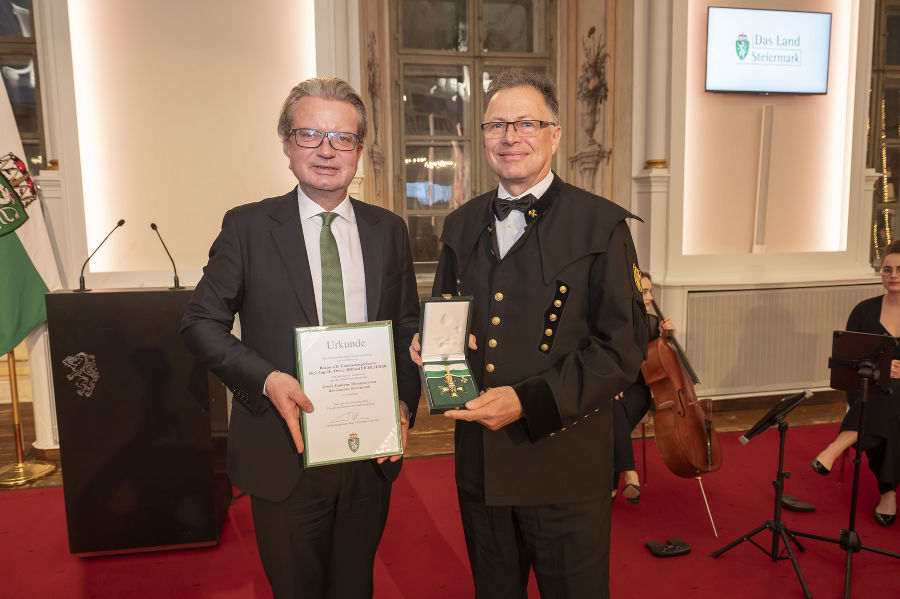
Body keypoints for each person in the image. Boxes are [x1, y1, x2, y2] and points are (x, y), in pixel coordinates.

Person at [411, 68, 647, 598]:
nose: (510, 137)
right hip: (482, 468)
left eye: (526, 123)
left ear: (555, 134)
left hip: (564, 464)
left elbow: (620, 350)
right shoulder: (460, 224)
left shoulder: (602, 225)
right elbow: (451, 319)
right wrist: (430, 345)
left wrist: (526, 401)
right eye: (497, 125)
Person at [181, 77, 420, 598]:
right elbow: (200, 323)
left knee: (356, 586)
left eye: (343, 138)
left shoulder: (389, 230)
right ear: (287, 144)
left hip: (367, 455)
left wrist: (403, 403)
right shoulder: (247, 227)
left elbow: (405, 329)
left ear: (361, 150)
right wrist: (266, 379)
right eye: (310, 134)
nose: (327, 150)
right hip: (281, 451)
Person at [810, 239, 900, 527]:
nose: (893, 275)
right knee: (880, 396)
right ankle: (888, 494)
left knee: (887, 399)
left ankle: (840, 444)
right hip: (870, 389)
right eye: (887, 269)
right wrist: (883, 371)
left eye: (899, 269)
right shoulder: (864, 310)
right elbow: (849, 360)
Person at [611, 271, 675, 504]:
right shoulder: (612, 324)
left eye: (650, 291)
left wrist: (667, 338)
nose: (649, 297)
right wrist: (612, 382)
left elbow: (665, 364)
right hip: (614, 388)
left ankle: (617, 482)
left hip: (638, 390)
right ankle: (626, 476)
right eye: (644, 291)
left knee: (612, 414)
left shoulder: (653, 324)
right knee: (612, 407)